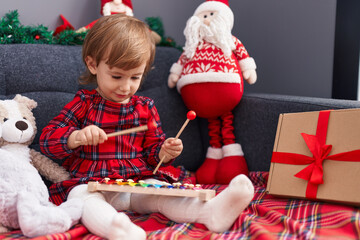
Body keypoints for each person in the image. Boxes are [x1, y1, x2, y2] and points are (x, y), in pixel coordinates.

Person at [40, 14, 254, 240]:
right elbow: (47, 140)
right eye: (116, 76)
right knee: (81, 198)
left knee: (160, 194)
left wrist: (164, 151)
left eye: (135, 77)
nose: (125, 86)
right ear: (93, 64)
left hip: (135, 181)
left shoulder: (145, 108)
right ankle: (118, 229)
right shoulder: (84, 103)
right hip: (91, 182)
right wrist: (76, 137)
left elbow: (152, 155)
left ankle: (210, 213)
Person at [168, 0, 257, 185]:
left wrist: (248, 69)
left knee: (226, 121)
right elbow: (183, 59)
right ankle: (213, 158)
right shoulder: (193, 44)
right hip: (196, 94)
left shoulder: (228, 40)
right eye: (204, 15)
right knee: (212, 127)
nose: (207, 20)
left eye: (211, 15)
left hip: (226, 87)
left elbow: (242, 54)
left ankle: (232, 156)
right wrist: (175, 74)